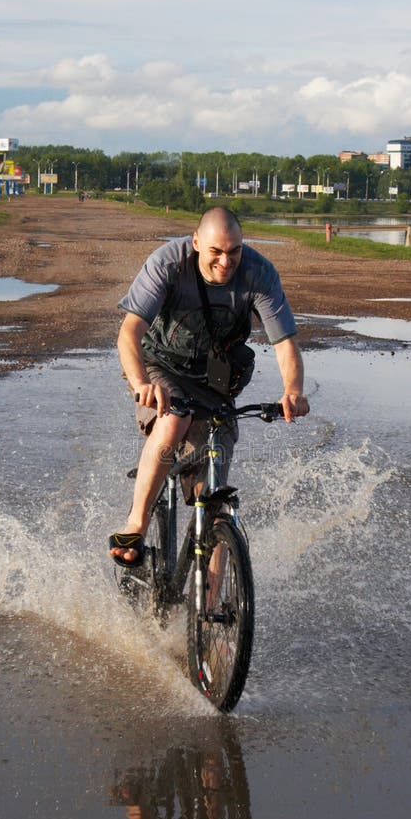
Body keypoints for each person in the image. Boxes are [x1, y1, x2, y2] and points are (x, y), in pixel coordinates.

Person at [109, 206, 309, 567]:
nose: (225, 262)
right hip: (160, 366)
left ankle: (216, 613)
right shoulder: (168, 264)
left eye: (234, 252)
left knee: (216, 502)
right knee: (173, 421)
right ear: (197, 242)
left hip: (215, 381)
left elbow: (285, 345)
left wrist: (292, 390)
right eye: (215, 251)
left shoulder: (258, 273)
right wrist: (141, 383)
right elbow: (129, 333)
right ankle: (135, 525)